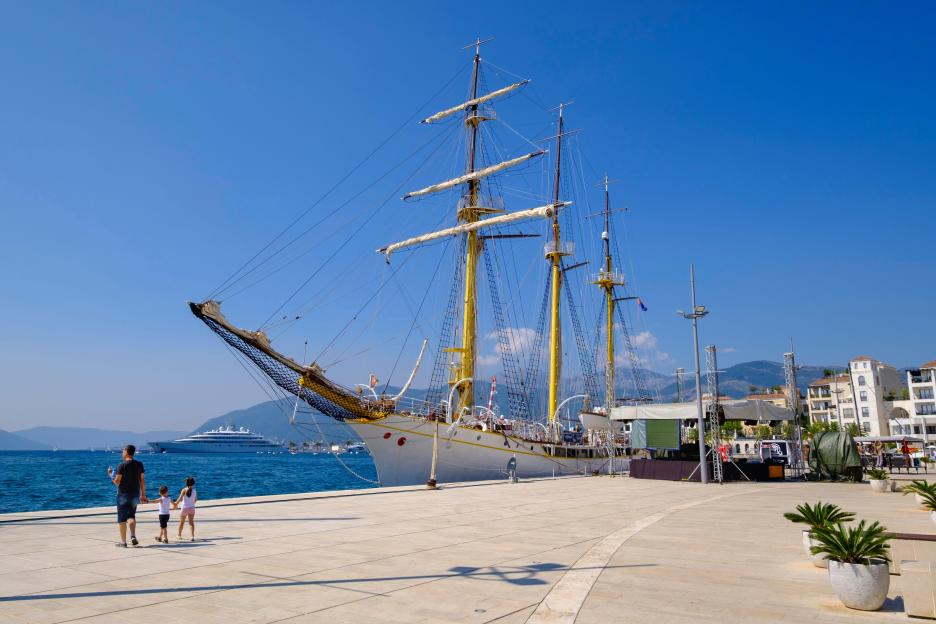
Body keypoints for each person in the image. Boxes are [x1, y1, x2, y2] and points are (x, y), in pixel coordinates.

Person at [107, 444, 147, 548]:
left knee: (122, 519)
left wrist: (111, 474)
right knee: (131, 516)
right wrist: (143, 495)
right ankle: (133, 535)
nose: (122, 453)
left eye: (123, 451)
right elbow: (142, 480)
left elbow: (117, 482)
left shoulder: (122, 465)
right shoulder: (139, 464)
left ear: (126, 452)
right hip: (135, 494)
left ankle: (123, 542)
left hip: (123, 495)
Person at [175, 476, 197, 542]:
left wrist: (175, 504)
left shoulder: (184, 490)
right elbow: (195, 500)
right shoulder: (194, 491)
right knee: (191, 523)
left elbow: (179, 499)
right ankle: (192, 536)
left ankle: (179, 535)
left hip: (184, 508)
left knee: (181, 522)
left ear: (186, 483)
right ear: (193, 483)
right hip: (192, 508)